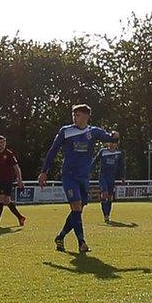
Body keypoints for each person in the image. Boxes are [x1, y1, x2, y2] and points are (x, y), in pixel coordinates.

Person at [40, 105, 117, 252]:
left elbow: (110, 138)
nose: (75, 118)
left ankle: (60, 237)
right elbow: (52, 151)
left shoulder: (93, 132)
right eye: (74, 115)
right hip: (69, 176)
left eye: (79, 115)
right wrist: (44, 171)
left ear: (88, 116)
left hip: (83, 178)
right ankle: (82, 243)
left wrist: (115, 135)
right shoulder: (66, 131)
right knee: (76, 207)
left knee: (78, 210)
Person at [0, 134, 26, 229]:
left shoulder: (9, 154)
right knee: (7, 200)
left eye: (2, 142)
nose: (0, 144)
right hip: (1, 180)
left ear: (5, 143)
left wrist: (19, 179)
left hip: (8, 180)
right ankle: (20, 217)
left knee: (0, 199)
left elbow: (16, 167)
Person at [97, 140, 124, 223]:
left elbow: (121, 166)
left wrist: (122, 176)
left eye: (114, 142)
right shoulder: (103, 151)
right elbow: (94, 161)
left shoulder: (118, 154)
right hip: (103, 176)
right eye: (111, 142)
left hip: (111, 178)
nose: (112, 144)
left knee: (110, 197)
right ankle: (105, 214)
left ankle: (107, 215)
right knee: (104, 194)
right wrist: (88, 172)